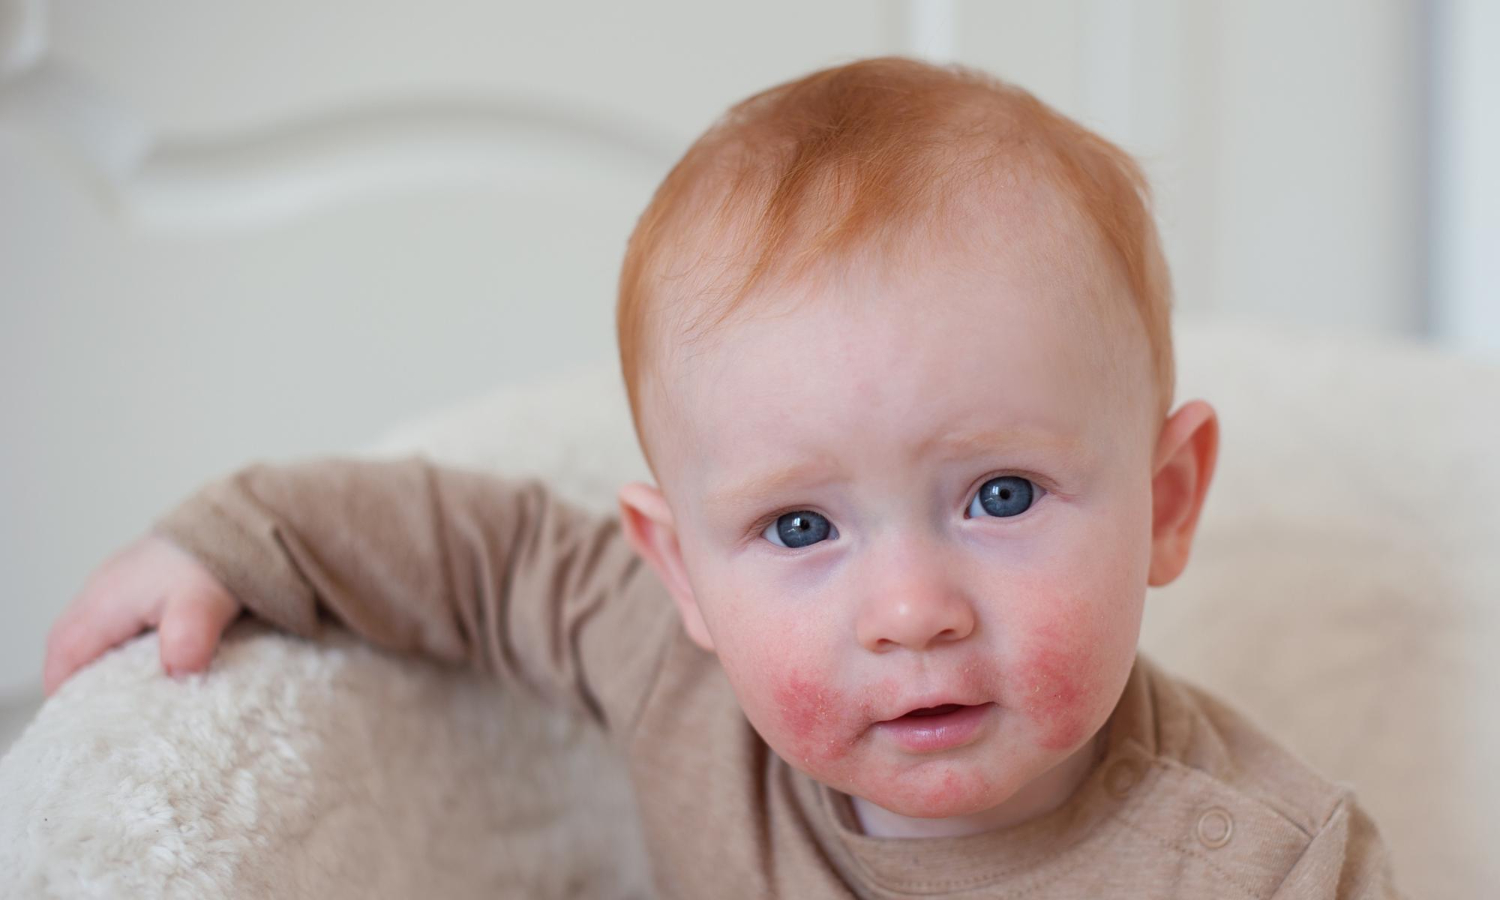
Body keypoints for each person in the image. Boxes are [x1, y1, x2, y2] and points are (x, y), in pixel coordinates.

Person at [42, 57, 1402, 897]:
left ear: (1167, 502)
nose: (909, 609)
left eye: (999, 497)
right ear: (680, 568)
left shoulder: (1266, 862)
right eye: (801, 524)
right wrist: (233, 543)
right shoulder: (674, 672)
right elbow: (483, 549)